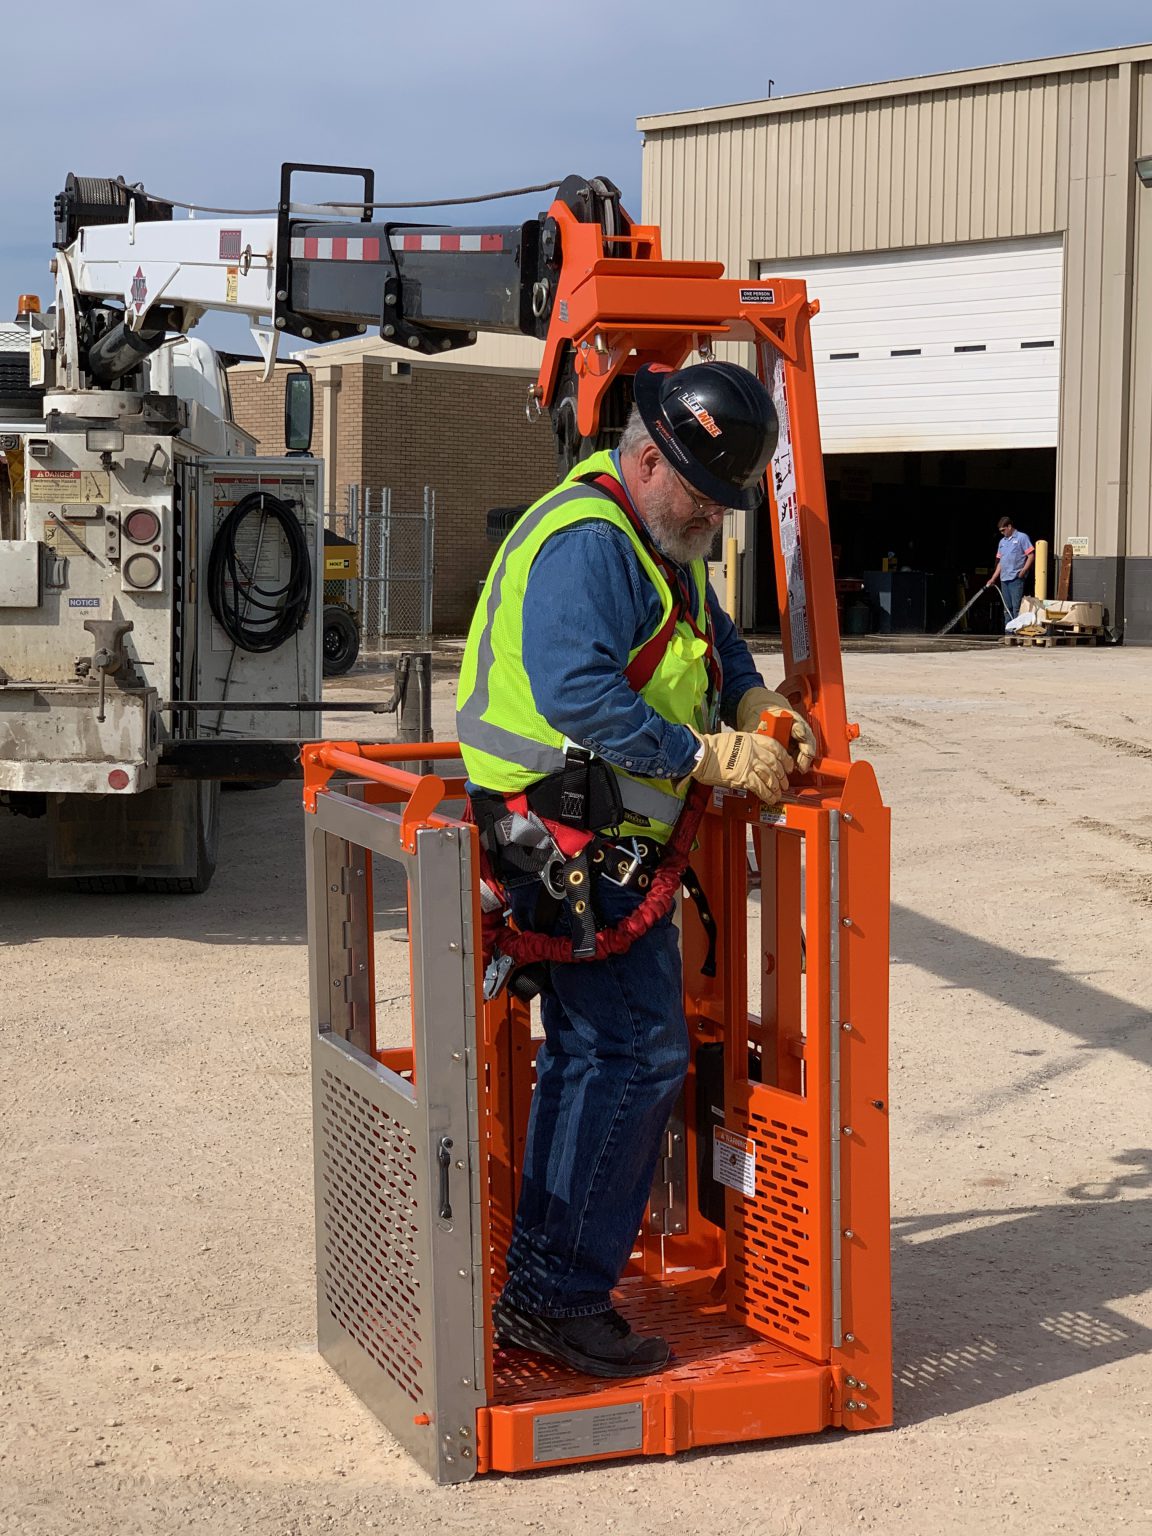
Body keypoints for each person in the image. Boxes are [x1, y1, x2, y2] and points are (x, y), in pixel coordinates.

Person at [456, 361, 817, 1379]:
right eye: (701, 497)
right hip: (565, 839)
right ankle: (557, 1299)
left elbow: (711, 642)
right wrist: (701, 755)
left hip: (596, 842)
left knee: (595, 1057)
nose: (711, 519)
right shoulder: (588, 541)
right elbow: (577, 691)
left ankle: (547, 1287)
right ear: (647, 456)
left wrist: (749, 705)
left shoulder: (660, 542)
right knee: (636, 1055)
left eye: (722, 504)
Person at [986, 516, 1035, 625]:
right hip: (1004, 579)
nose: (1002, 533)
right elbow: (1000, 563)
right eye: (1000, 531)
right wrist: (993, 578)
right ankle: (1008, 632)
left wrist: (1024, 570)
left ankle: (1017, 631)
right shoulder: (1002, 542)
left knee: (1016, 607)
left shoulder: (1022, 537)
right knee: (1006, 608)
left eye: (1003, 530)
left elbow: (1031, 555)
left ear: (1009, 526)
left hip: (1016, 579)